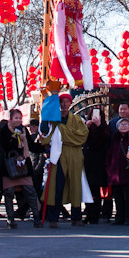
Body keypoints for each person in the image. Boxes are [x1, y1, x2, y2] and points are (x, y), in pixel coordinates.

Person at [40, 92, 90, 228]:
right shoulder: (53, 120)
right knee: (56, 186)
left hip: (75, 155)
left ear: (70, 104)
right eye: (62, 102)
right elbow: (45, 137)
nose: (64, 105)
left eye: (67, 102)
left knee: (76, 186)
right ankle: (53, 217)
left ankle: (76, 217)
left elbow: (82, 136)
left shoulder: (77, 119)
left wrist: (62, 132)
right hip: (58, 155)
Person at [1, 108, 41, 228]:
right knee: (9, 192)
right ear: (10, 118)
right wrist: (13, 137)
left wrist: (44, 147)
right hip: (9, 166)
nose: (18, 120)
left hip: (24, 165)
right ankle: (10, 219)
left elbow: (32, 146)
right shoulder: (5, 130)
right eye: (16, 118)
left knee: (30, 191)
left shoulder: (23, 130)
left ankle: (36, 218)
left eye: (20, 118)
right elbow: (3, 145)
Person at [106, 104, 129, 227]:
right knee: (117, 196)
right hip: (115, 172)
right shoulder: (115, 139)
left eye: (126, 124)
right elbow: (109, 154)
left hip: (128, 172)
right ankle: (119, 216)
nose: (123, 126)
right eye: (121, 125)